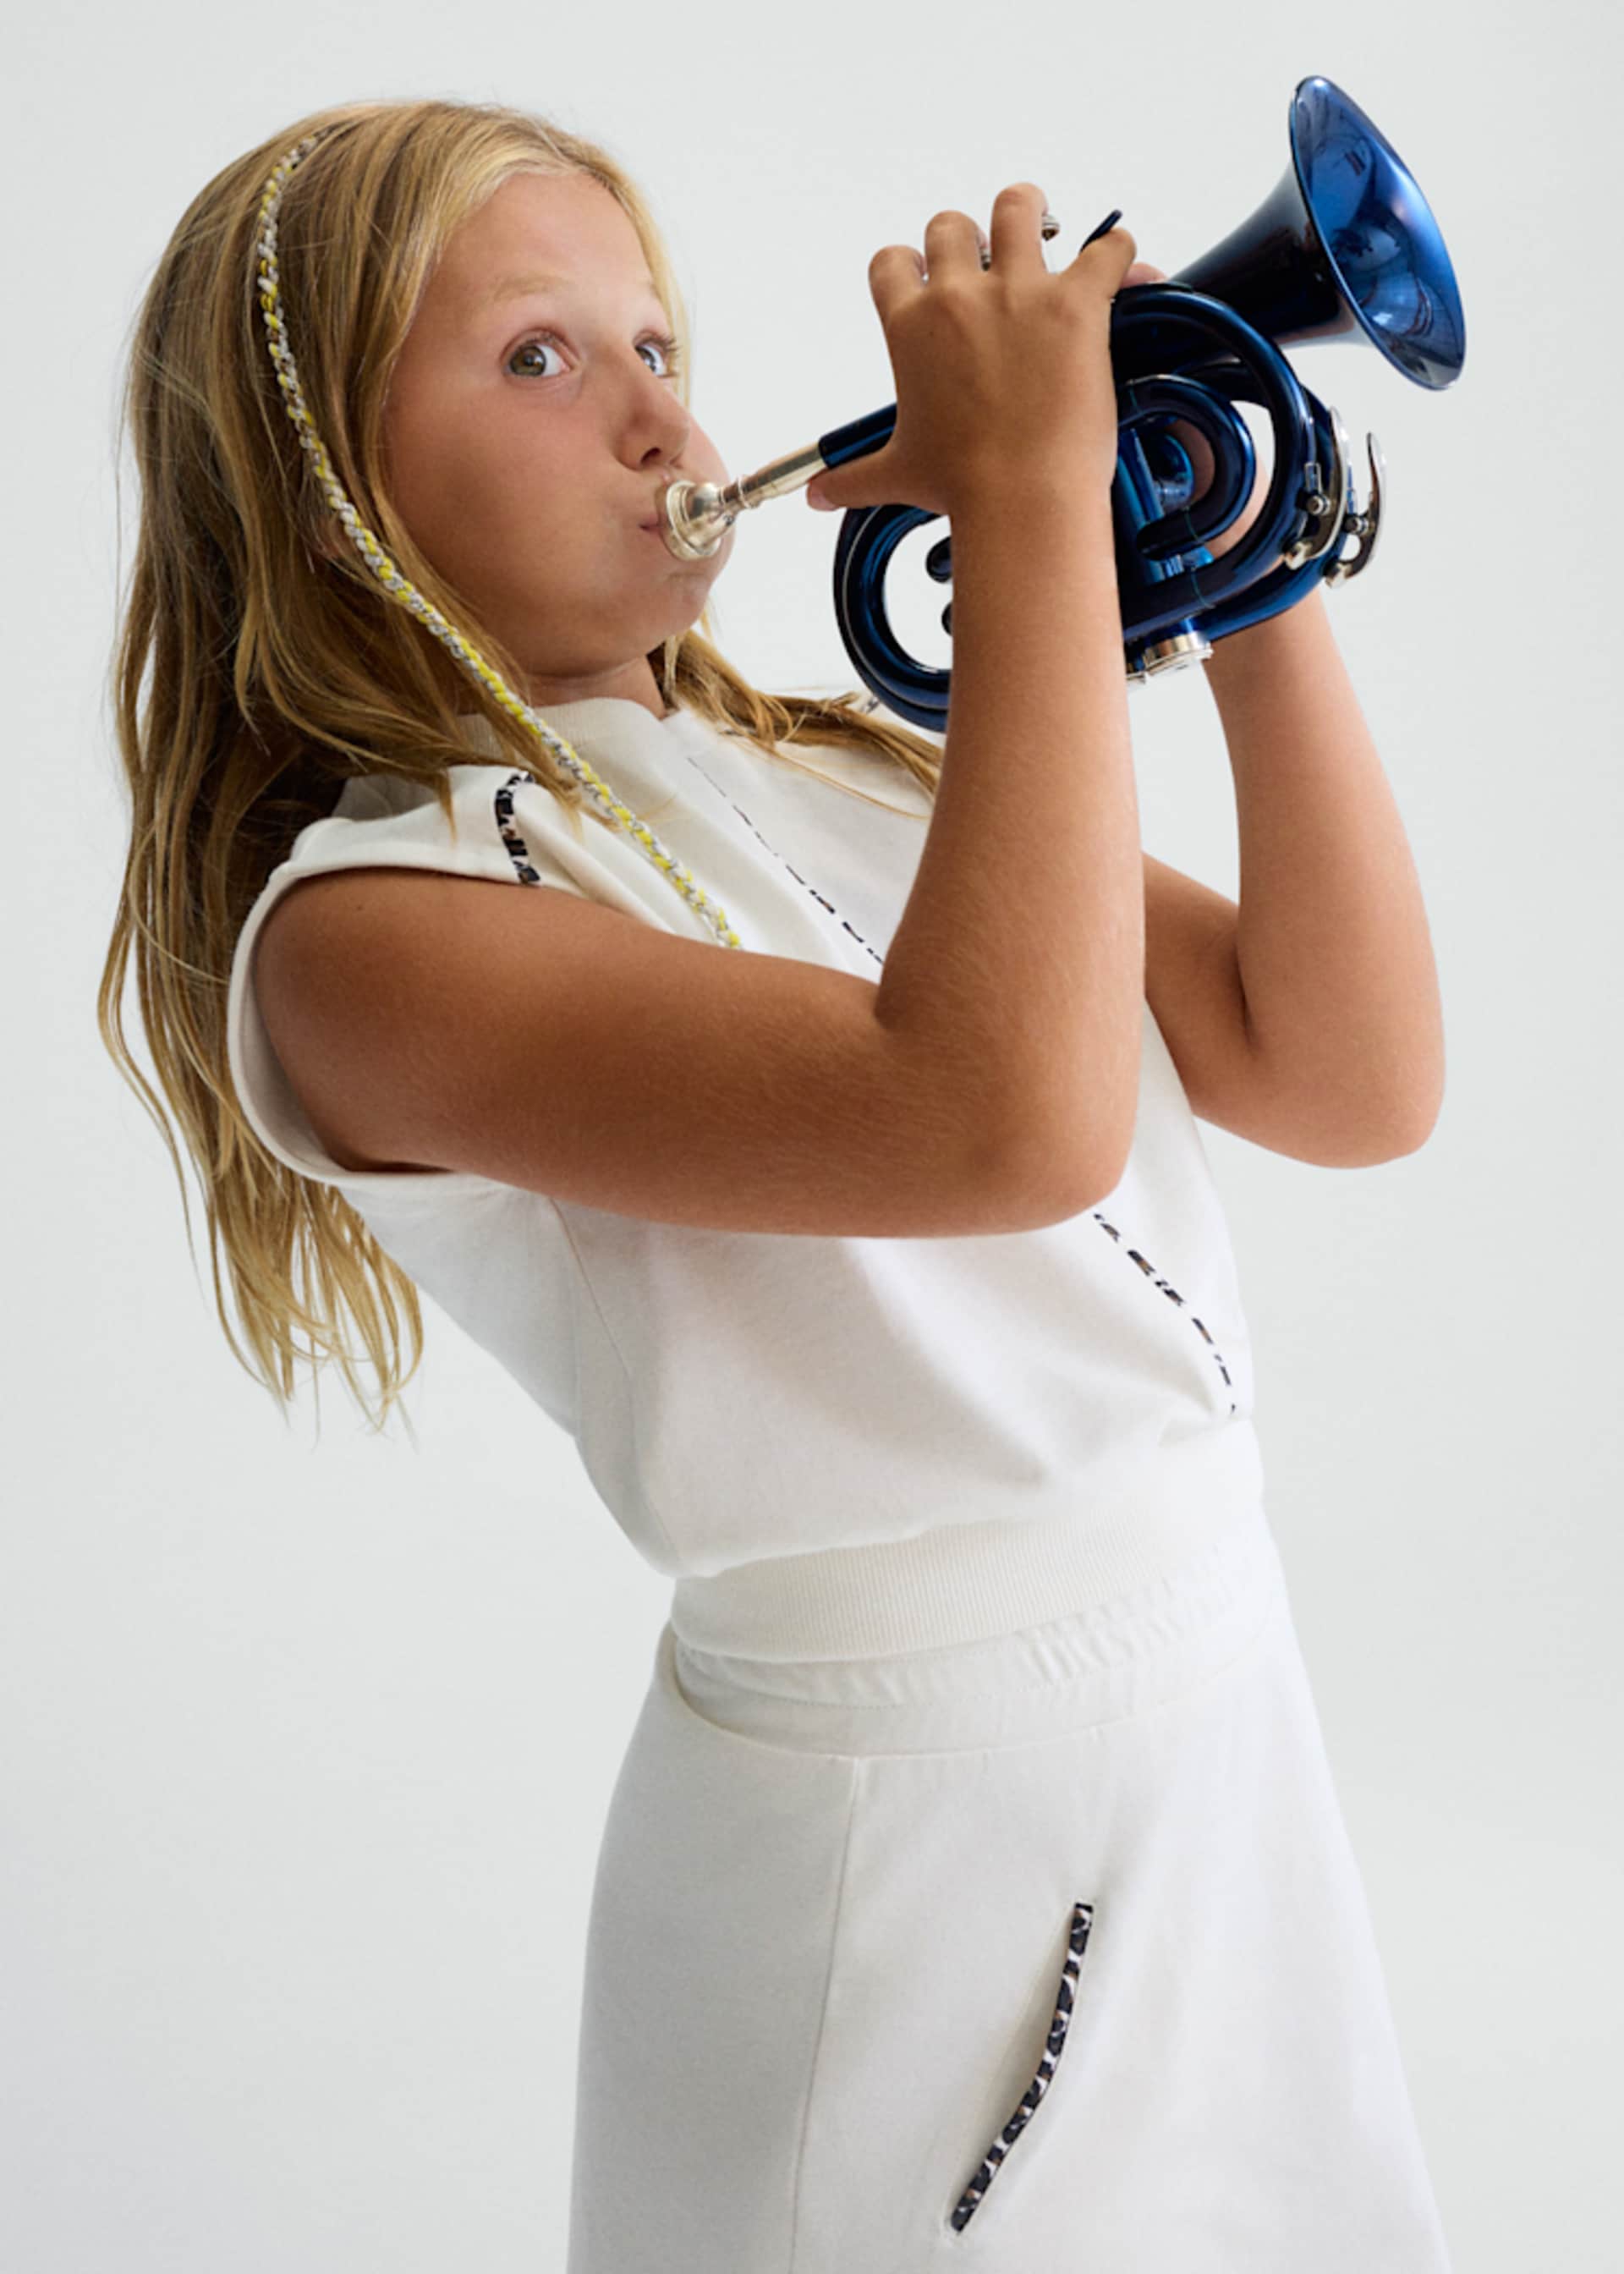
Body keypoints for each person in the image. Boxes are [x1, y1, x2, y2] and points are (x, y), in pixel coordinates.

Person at [99, 96, 1453, 2271]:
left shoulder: (821, 767)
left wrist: (1235, 549)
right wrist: (1026, 522)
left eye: (654, 342)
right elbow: (996, 1126)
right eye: (538, 358)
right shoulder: (364, 935)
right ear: (326, 488)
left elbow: (1346, 1069)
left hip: (1217, 1731)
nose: (651, 415)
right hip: (919, 1845)